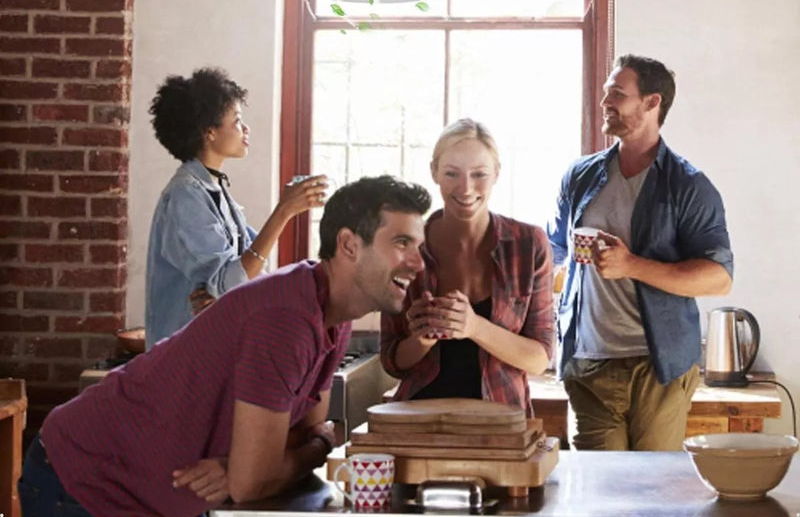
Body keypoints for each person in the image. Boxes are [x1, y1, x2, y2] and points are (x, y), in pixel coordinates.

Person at [18, 175, 431, 517]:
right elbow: (261, 478)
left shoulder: (331, 313)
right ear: (348, 245)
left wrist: (275, 457)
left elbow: (301, 433)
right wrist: (316, 446)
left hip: (141, 491)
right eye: (401, 243)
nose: (418, 262)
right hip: (81, 480)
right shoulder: (286, 318)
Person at [548, 54, 733, 451]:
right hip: (587, 363)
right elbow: (554, 250)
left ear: (652, 103)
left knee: (652, 496)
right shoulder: (579, 177)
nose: (605, 102)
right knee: (596, 498)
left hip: (659, 367)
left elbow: (718, 277)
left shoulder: (688, 186)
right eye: (605, 93)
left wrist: (631, 265)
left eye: (617, 94)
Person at [380, 119, 554, 415]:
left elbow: (539, 359)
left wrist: (474, 327)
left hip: (502, 426)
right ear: (433, 171)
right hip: (419, 421)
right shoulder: (404, 246)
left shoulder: (529, 244)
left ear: (497, 173)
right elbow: (392, 361)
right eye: (451, 173)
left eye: (479, 174)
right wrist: (421, 339)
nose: (466, 188)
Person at [145, 67, 328, 348]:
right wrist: (284, 211)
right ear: (209, 133)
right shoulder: (185, 197)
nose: (245, 129)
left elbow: (247, 273)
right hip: (184, 360)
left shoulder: (214, 188)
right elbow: (232, 281)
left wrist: (224, 291)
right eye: (237, 121)